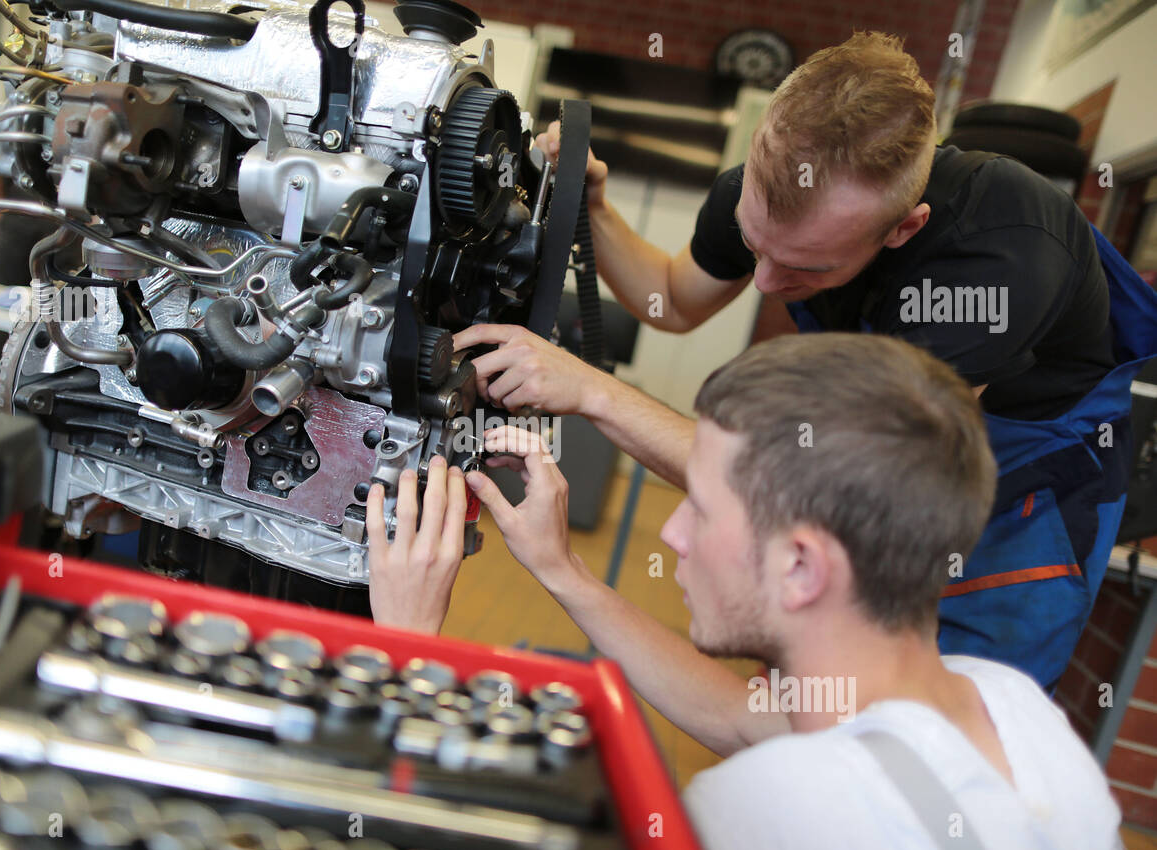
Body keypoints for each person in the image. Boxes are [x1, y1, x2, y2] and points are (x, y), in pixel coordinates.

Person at [450, 31, 1157, 693]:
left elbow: (819, 481)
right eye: (756, 248)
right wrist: (593, 209)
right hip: (875, 472)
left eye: (804, 267)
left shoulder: (998, 258)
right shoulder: (772, 186)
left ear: (903, 228)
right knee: (812, 703)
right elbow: (670, 298)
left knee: (943, 727)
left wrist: (592, 391)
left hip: (1022, 512)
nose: (763, 284)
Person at [367, 332, 1128, 850]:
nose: (672, 533)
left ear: (800, 566)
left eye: (699, 506)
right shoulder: (1009, 705)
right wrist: (563, 571)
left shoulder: (770, 815)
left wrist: (407, 653)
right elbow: (739, 716)